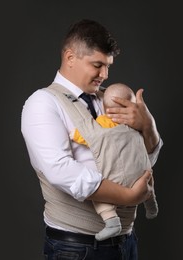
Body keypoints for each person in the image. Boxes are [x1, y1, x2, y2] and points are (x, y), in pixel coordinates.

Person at [21, 19, 163, 259]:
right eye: (97, 65)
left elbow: (142, 158)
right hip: (77, 248)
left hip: (127, 243)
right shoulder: (43, 103)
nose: (105, 75)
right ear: (70, 57)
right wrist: (129, 197)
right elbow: (60, 170)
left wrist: (148, 127)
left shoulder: (112, 99)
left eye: (108, 66)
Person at [70, 82, 159, 241]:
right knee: (149, 183)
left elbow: (85, 136)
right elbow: (150, 148)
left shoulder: (102, 124)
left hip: (116, 179)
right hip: (141, 173)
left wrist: (73, 135)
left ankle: (111, 221)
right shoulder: (135, 124)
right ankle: (151, 204)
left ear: (104, 108)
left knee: (100, 196)